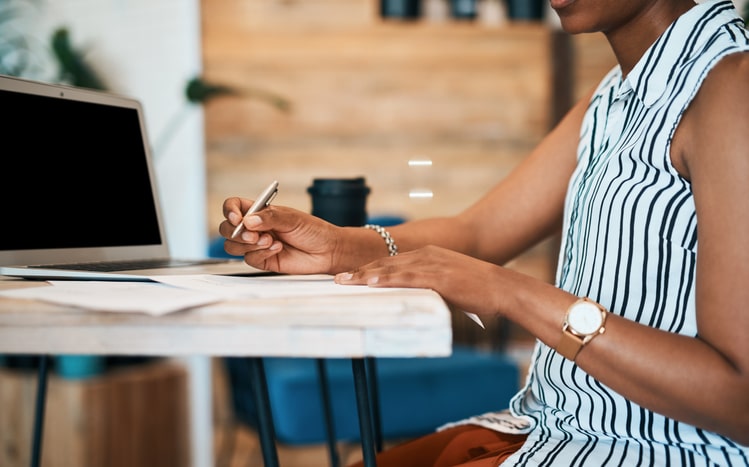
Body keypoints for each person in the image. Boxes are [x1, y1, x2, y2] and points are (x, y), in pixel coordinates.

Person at [219, 0, 749, 464]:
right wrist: (336, 245)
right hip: (548, 431)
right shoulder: (612, 98)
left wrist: (510, 291)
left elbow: (738, 397)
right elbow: (478, 231)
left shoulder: (732, 86)